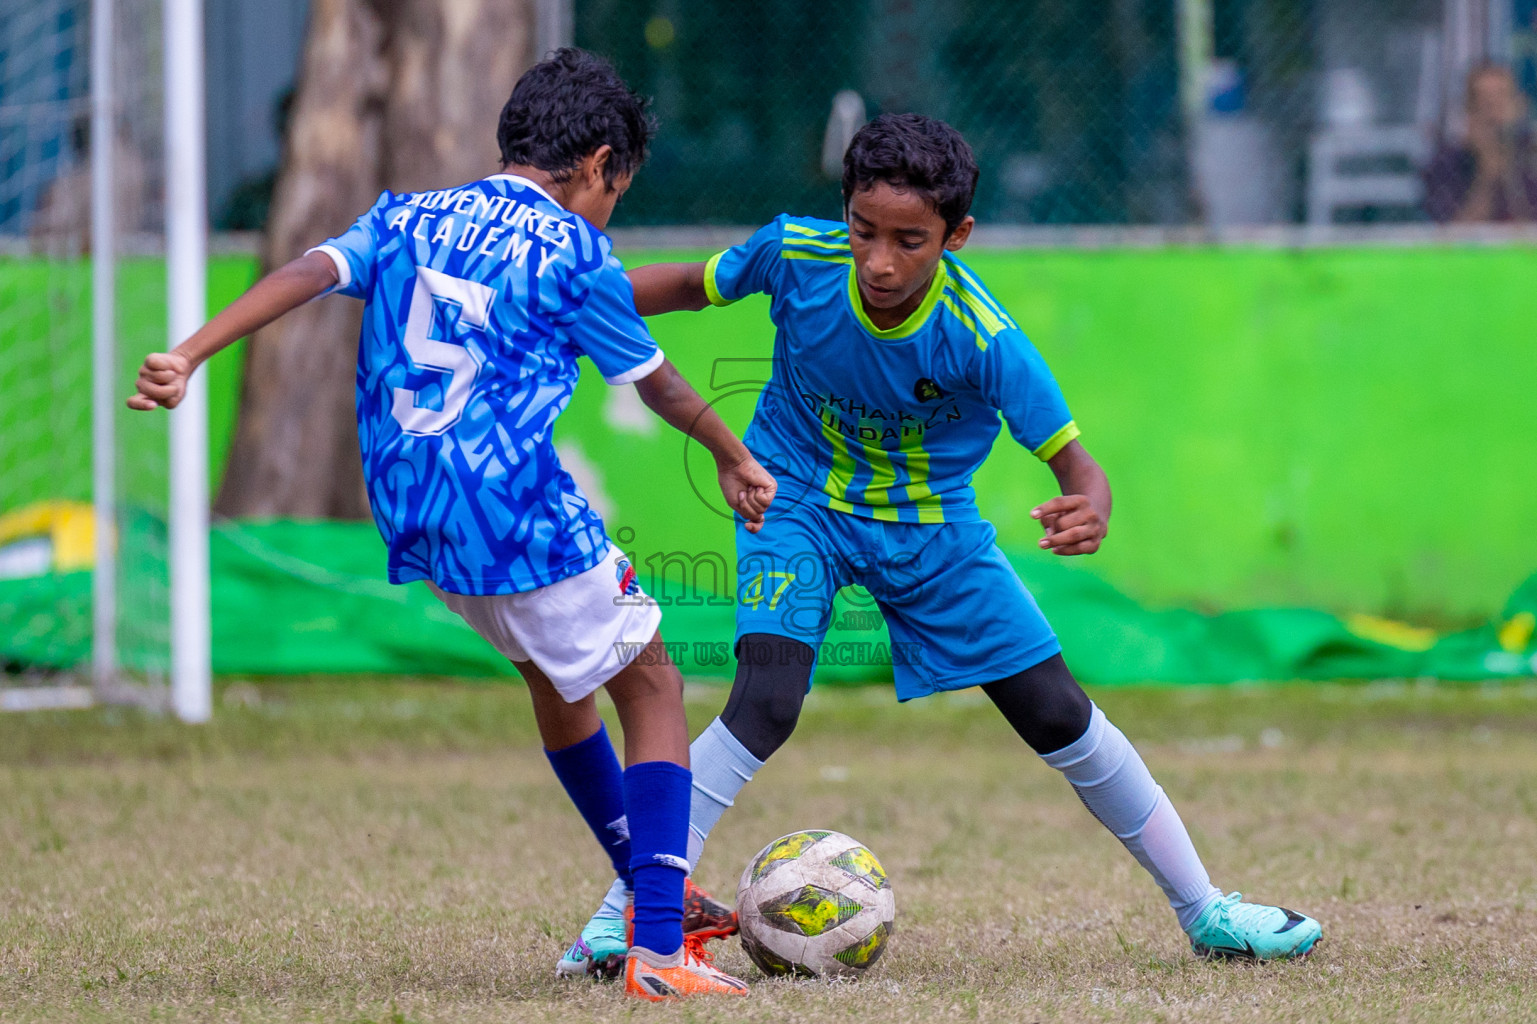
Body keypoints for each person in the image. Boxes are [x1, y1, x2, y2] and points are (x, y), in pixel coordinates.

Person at [560, 113, 1322, 973]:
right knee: (764, 701)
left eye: (909, 240)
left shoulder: (981, 335)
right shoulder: (795, 258)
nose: (879, 262)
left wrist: (1088, 502)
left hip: (929, 529)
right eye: (864, 231)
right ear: (843, 212)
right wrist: (566, 300)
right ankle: (621, 916)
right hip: (795, 499)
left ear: (956, 235)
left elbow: (1077, 467)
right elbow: (693, 287)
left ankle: (1206, 911)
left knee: (1055, 712)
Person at [127, 49, 772, 1002]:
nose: (609, 212)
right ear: (598, 165)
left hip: (415, 516)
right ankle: (659, 944)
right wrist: (729, 449)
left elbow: (308, 270)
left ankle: (645, 898)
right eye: (615, 192)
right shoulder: (573, 248)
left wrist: (190, 353)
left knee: (557, 686)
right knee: (652, 684)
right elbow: (656, 381)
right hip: (509, 509)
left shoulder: (410, 215)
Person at [1425, 63, 1537, 223]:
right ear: (1468, 111)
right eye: (1484, 103)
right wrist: (1486, 176)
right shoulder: (1445, 164)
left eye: (1501, 100)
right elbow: (1453, 237)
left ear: (1520, 106)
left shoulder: (1531, 157)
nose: (1493, 114)